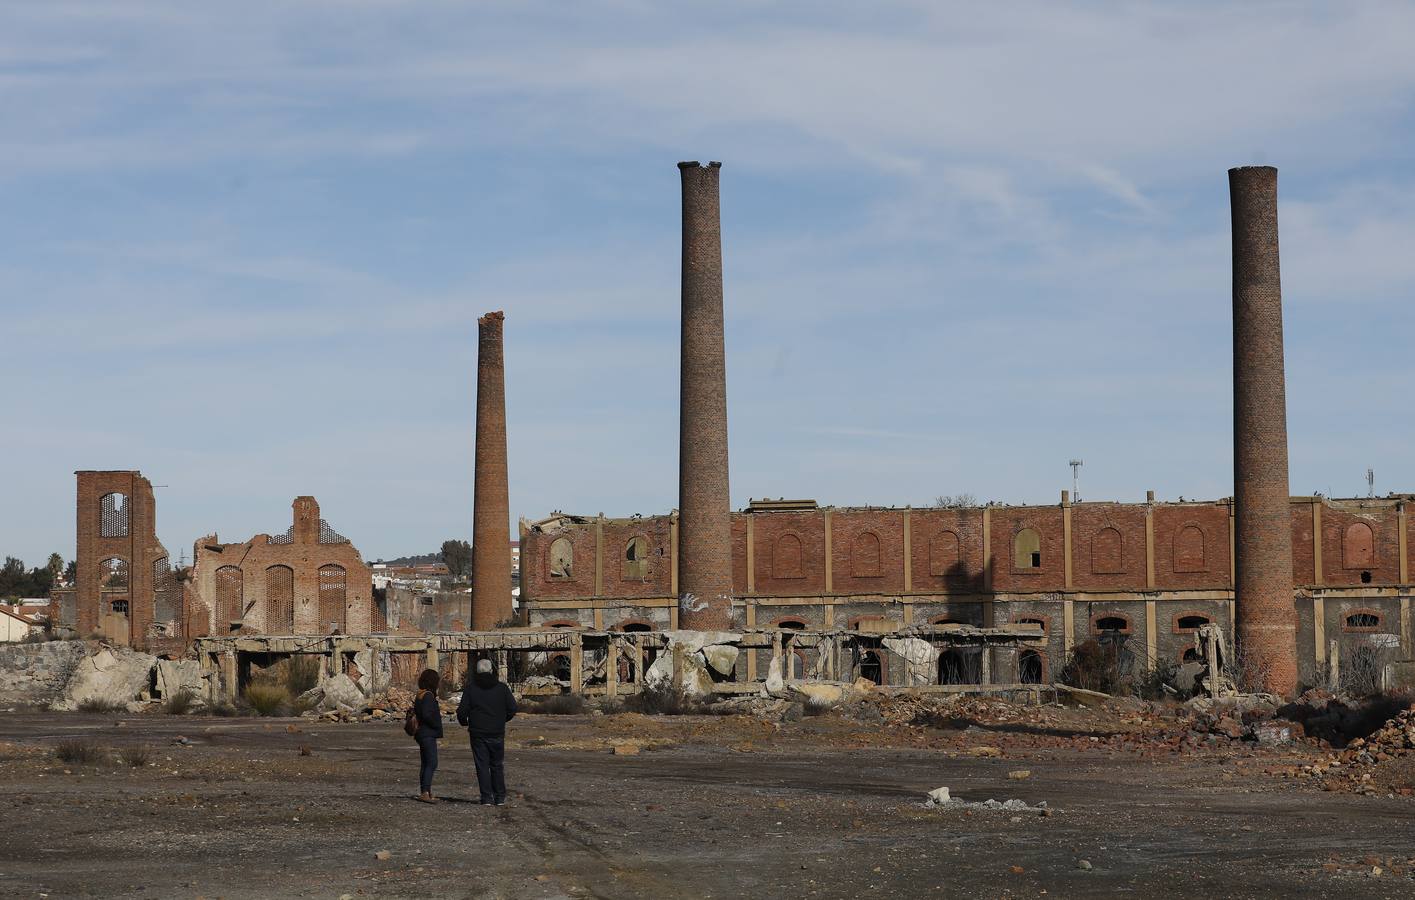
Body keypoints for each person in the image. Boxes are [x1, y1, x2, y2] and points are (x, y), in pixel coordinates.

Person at [456, 657, 517, 805]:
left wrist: (465, 722)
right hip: (496, 732)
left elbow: (462, 711)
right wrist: (502, 720)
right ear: (491, 671)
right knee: (497, 764)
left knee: (482, 765)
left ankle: (486, 797)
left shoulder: (471, 689)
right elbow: (513, 708)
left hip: (478, 732)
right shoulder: (502, 688)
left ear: (477, 672)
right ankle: (500, 797)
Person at [413, 668, 443, 803]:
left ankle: (426, 791)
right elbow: (426, 714)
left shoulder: (420, 694)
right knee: (432, 762)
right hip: (427, 733)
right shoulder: (428, 696)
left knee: (426, 763)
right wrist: (436, 723)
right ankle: (425, 792)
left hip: (422, 733)